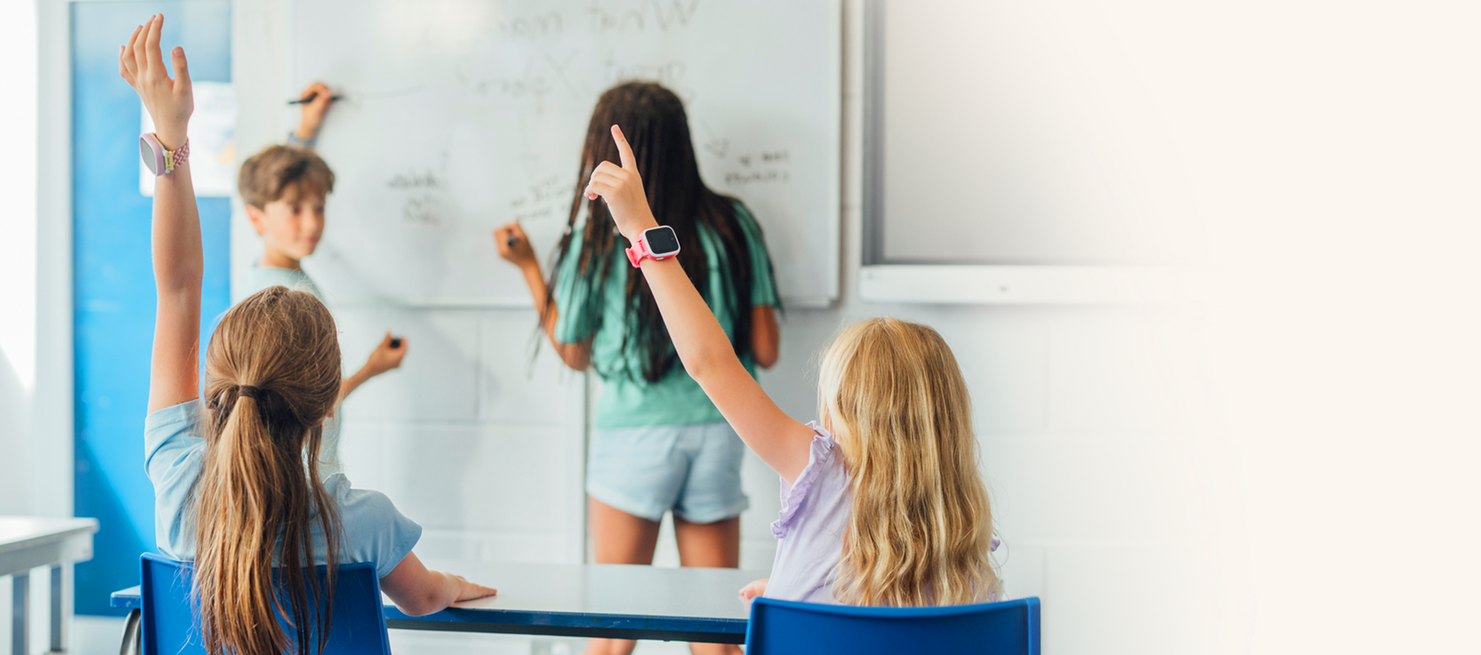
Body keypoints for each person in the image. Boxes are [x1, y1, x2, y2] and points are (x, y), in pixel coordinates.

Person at [121, 16, 492, 655]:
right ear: (326, 403)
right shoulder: (361, 521)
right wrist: (454, 585)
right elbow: (425, 597)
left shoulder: (179, 482)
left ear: (220, 379)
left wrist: (170, 138)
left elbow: (177, 287)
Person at [586, 124, 1002, 607]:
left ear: (843, 409)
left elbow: (711, 364)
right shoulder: (967, 538)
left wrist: (640, 228)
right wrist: (798, 593)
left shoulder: (822, 470)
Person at [493, 82, 780, 655]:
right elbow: (767, 348)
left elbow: (572, 352)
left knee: (613, 630)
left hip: (634, 438)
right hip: (721, 431)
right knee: (715, 633)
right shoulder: (734, 224)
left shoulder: (600, 237)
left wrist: (528, 267)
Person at [238, 80, 406, 477]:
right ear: (256, 217)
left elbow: (278, 185)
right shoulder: (282, 297)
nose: (312, 223)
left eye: (319, 207)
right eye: (295, 210)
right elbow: (309, 405)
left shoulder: (269, 270)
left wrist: (305, 133)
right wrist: (371, 368)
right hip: (301, 480)